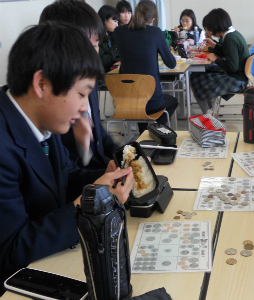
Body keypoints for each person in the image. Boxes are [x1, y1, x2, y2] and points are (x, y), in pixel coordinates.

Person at [0, 21, 134, 294]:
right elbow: (12, 250)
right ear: (41, 84)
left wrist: (102, 179)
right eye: (82, 94)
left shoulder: (41, 120)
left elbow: (66, 175)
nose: (86, 107)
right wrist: (92, 207)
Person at [39, 0, 121, 170]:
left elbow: (98, 132)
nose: (91, 56)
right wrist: (83, 148)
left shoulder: (87, 81)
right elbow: (63, 176)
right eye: (83, 47)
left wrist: (125, 157)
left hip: (101, 169)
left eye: (96, 45)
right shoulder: (48, 103)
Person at [113, 0, 178, 133]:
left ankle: (145, 135)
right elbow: (171, 64)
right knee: (172, 101)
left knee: (140, 101)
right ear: (153, 19)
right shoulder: (155, 32)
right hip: (151, 103)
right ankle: (155, 130)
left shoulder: (118, 32)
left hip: (126, 101)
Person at [190, 8, 250, 114]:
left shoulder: (230, 39)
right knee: (200, 74)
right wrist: (214, 45)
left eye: (209, 29)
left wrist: (215, 59)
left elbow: (232, 66)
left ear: (216, 26)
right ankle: (211, 109)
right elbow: (227, 52)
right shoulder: (232, 34)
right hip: (238, 76)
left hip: (236, 80)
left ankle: (208, 115)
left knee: (196, 79)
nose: (209, 32)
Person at [98, 5, 120, 73]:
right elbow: (102, 61)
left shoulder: (109, 34)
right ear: (105, 20)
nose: (117, 25)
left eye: (117, 22)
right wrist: (116, 51)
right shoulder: (97, 37)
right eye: (115, 21)